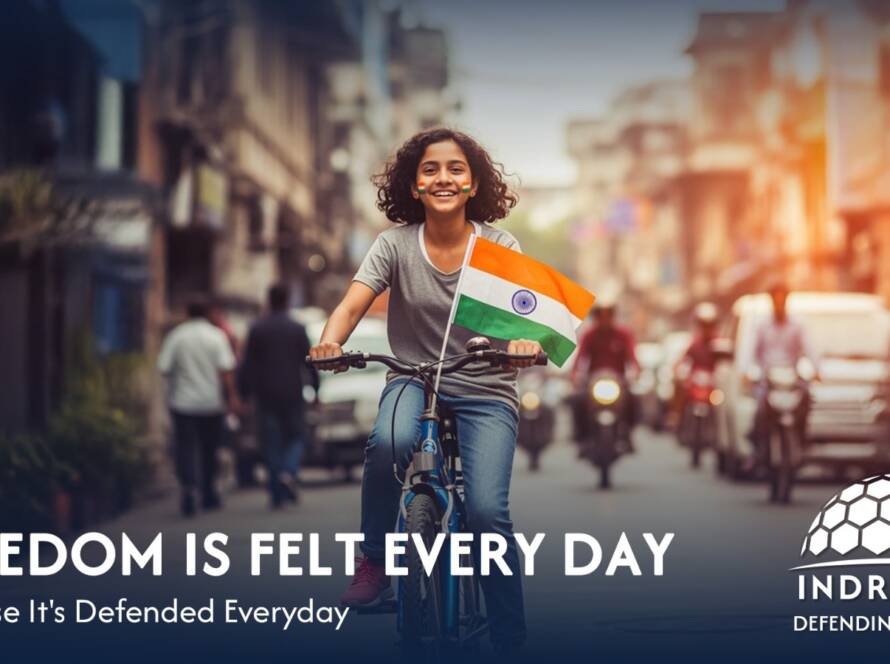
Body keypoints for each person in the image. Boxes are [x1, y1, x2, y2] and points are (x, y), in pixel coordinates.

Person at [308, 128, 539, 650]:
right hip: (412, 377)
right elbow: (351, 305)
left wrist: (524, 341)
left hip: (485, 385)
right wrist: (329, 342)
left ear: (473, 182)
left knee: (485, 513)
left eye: (455, 169)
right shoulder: (393, 245)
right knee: (388, 443)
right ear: (413, 186)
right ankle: (374, 558)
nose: (443, 178)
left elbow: (524, 309)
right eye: (430, 169)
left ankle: (509, 633)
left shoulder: (498, 245)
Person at [158, 297, 242, 516]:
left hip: (182, 402)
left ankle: (188, 488)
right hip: (210, 403)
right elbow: (226, 370)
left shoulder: (177, 336)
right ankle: (208, 493)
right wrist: (232, 397)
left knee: (185, 447)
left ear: (187, 312)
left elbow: (164, 367)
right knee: (209, 448)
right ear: (207, 313)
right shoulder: (216, 336)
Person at [239, 283, 318, 508]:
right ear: (287, 299)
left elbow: (248, 364)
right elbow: (310, 363)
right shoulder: (296, 328)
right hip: (292, 392)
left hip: (264, 394)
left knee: (271, 442)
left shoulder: (257, 328)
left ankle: (276, 488)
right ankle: (289, 471)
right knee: (297, 436)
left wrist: (244, 394)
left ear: (269, 300)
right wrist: (316, 391)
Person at [749, 283, 815, 467]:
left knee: (807, 399)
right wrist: (747, 371)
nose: (779, 304)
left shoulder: (797, 325)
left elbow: (809, 348)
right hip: (768, 380)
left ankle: (802, 441)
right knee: (760, 409)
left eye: (782, 300)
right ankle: (758, 448)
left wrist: (817, 369)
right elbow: (750, 350)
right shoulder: (761, 325)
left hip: (790, 380)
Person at [570, 300, 639, 446]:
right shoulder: (589, 335)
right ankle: (581, 436)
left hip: (618, 381)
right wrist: (575, 375)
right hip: (593, 381)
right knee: (577, 400)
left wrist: (635, 372)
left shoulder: (623, 335)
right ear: (596, 317)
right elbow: (579, 357)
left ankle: (627, 433)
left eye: (608, 315)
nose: (604, 319)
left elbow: (633, 358)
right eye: (601, 316)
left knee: (634, 400)